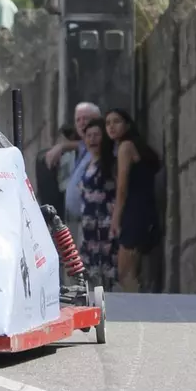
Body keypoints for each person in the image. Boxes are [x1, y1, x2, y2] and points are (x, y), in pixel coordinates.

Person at [104, 108, 161, 293]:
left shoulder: (126, 147)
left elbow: (122, 187)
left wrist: (116, 218)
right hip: (143, 211)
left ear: (127, 125)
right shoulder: (129, 147)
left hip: (135, 213)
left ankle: (137, 307)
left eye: (116, 121)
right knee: (132, 272)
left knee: (126, 272)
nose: (111, 126)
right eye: (108, 123)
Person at [78, 118, 118, 291]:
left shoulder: (112, 164)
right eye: (89, 136)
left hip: (106, 227)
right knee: (90, 276)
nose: (92, 139)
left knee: (109, 275)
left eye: (96, 135)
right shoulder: (88, 165)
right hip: (89, 229)